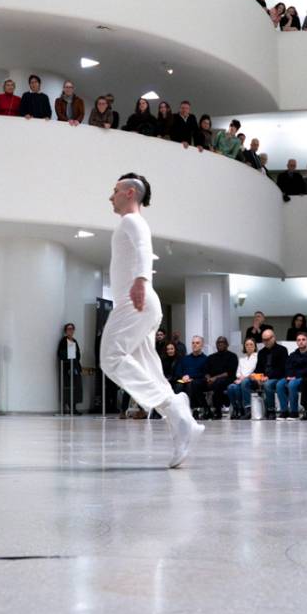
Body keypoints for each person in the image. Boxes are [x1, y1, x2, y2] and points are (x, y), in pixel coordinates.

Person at [96, 173, 203, 465]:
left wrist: (142, 279)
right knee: (150, 369)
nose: (111, 196)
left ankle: (174, 407)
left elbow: (144, 247)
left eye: (115, 190)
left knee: (111, 358)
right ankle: (182, 423)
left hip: (135, 302)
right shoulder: (128, 222)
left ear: (130, 193)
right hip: (141, 303)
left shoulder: (132, 221)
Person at [198, 337, 237, 420]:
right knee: (196, 384)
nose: (220, 344)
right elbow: (205, 371)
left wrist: (214, 378)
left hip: (226, 380)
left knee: (218, 383)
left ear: (227, 344)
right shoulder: (211, 357)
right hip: (211, 380)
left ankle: (217, 410)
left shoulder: (232, 356)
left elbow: (230, 372)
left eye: (222, 342)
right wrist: (208, 378)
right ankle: (206, 409)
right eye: (218, 342)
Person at [225, 337, 261, 420]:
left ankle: (248, 409)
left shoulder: (257, 357)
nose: (249, 346)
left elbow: (254, 371)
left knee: (244, 382)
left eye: (251, 345)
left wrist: (244, 377)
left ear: (255, 346)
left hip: (252, 380)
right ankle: (237, 409)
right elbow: (237, 373)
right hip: (242, 380)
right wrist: (240, 377)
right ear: (244, 347)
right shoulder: (242, 359)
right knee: (231, 387)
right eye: (247, 345)